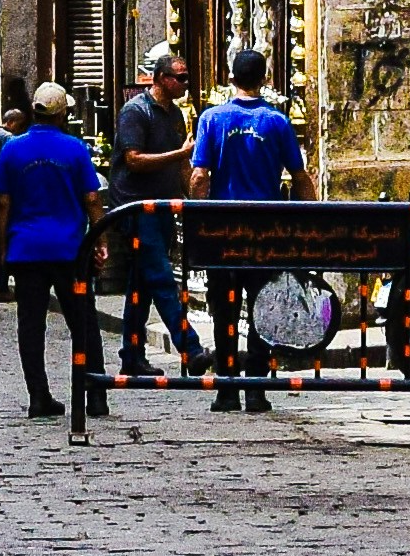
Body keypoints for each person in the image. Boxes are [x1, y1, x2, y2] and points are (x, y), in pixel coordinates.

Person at [0, 78, 111, 434]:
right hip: (69, 249)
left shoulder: (12, 149)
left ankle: (39, 395)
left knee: (31, 324)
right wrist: (100, 239)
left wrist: (4, 248)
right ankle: (95, 393)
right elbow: (91, 198)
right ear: (64, 114)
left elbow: (3, 202)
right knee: (83, 322)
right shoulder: (74, 149)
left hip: (27, 249)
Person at [189, 44, 309, 413]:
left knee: (224, 309)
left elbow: (198, 176)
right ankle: (256, 388)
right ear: (264, 80)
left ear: (231, 78)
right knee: (261, 306)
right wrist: (311, 219)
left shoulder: (212, 119)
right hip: (264, 230)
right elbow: (300, 176)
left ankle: (226, 388)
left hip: (223, 230)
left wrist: (195, 213)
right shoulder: (277, 121)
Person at [100, 46, 205, 387]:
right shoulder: (135, 111)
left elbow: (181, 165)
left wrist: (193, 197)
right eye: (180, 78)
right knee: (160, 276)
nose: (186, 84)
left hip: (161, 205)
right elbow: (133, 159)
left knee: (141, 285)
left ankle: (131, 355)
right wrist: (179, 153)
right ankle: (190, 346)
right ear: (162, 79)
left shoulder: (174, 115)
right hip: (136, 207)